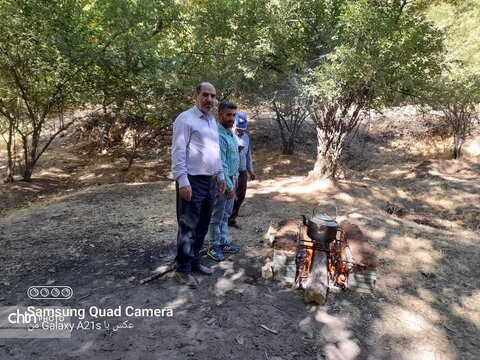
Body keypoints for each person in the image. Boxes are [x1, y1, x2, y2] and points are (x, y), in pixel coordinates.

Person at [171, 82, 226, 289]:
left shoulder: (212, 120)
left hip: (210, 181)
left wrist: (220, 176)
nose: (210, 99)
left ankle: (194, 261)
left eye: (213, 96)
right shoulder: (185, 119)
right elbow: (178, 152)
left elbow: (215, 151)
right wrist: (182, 181)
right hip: (192, 181)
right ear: (196, 95)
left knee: (203, 225)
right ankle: (182, 269)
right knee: (188, 226)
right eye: (206, 95)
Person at [207, 101, 241, 261]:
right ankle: (213, 246)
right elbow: (222, 163)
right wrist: (229, 186)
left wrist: (235, 180)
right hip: (221, 181)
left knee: (226, 215)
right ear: (219, 115)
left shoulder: (230, 133)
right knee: (217, 216)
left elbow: (233, 159)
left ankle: (223, 241)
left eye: (234, 115)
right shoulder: (218, 135)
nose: (232, 118)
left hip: (232, 178)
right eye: (228, 115)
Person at [228, 112, 255, 229]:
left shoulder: (246, 137)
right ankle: (223, 219)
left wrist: (251, 170)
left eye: (242, 129)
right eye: (238, 129)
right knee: (228, 196)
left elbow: (248, 155)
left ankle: (232, 219)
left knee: (241, 196)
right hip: (230, 171)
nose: (239, 132)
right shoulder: (228, 135)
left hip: (242, 171)